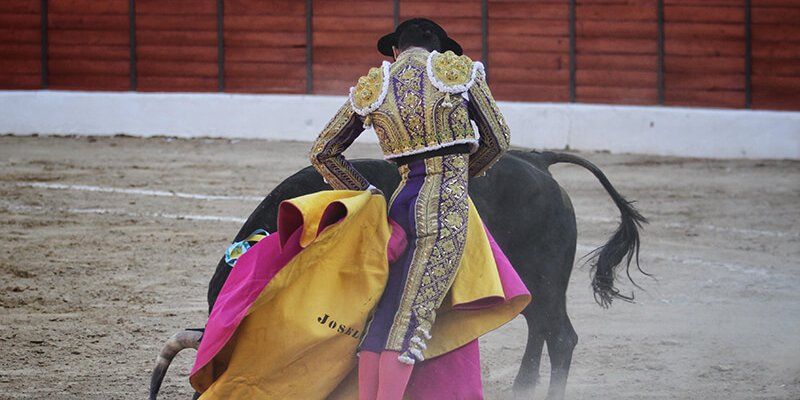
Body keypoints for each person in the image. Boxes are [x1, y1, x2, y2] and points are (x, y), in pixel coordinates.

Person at [309, 17, 511, 400]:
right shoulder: (457, 72)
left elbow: (323, 152)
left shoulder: (373, 86)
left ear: (395, 50)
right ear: (439, 50)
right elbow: (498, 140)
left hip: (399, 207)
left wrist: (369, 196)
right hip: (445, 206)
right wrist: (458, 175)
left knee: (384, 317)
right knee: (411, 320)